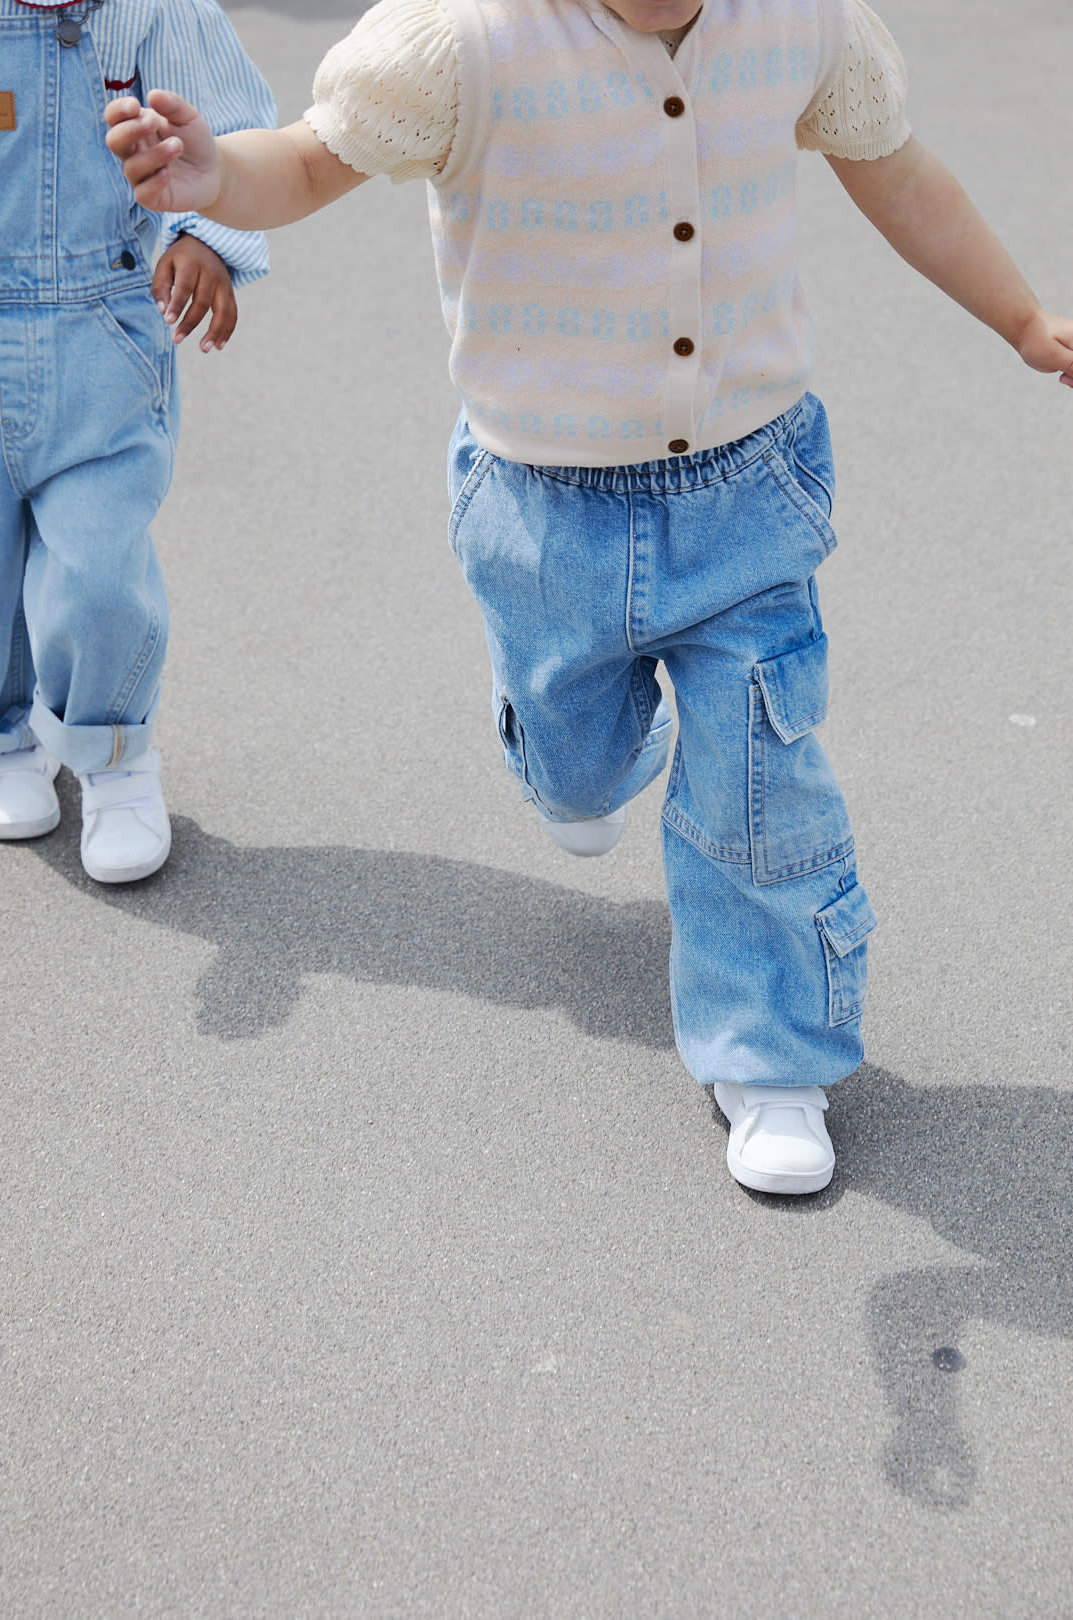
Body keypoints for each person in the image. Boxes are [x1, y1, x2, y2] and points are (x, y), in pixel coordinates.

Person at [104, 0, 1073, 1190]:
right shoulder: (461, 41)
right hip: (543, 510)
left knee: (759, 765)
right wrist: (216, 176)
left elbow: (900, 175)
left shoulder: (803, 23)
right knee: (576, 763)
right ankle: (575, 753)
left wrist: (1021, 316)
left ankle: (772, 1055)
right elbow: (310, 157)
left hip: (748, 491)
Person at [0, 0, 276, 883]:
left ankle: (114, 757)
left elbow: (236, 133)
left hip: (102, 338)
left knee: (97, 567)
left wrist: (209, 241)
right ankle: (6, 736)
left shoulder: (156, 11)